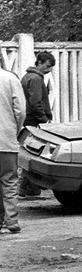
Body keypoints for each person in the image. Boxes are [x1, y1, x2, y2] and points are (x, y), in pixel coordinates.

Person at [19, 51, 54, 197]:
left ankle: (29, 190)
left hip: (28, 119)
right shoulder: (36, 79)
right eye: (47, 66)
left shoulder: (28, 76)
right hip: (34, 121)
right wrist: (45, 120)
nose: (49, 69)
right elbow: (35, 103)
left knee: (31, 154)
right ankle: (28, 189)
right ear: (39, 63)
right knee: (36, 155)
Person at [0, 67, 27, 235]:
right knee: (9, 180)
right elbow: (21, 111)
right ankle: (11, 221)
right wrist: (14, 130)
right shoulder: (10, 79)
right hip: (5, 139)